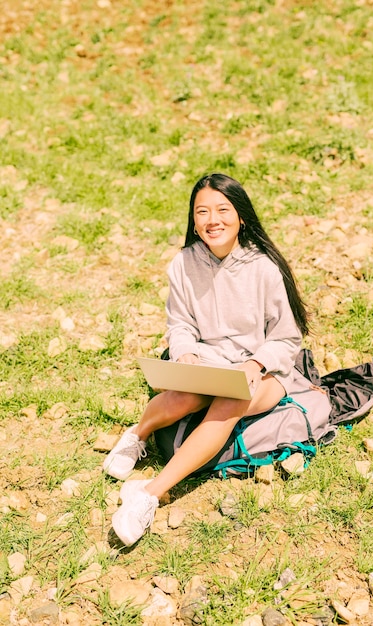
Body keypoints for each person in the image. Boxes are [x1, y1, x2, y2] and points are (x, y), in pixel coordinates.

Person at [103, 172, 309, 546]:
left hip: (263, 370)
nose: (212, 219)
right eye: (202, 211)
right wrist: (187, 356)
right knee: (186, 395)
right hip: (208, 359)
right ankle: (137, 435)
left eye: (222, 210)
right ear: (194, 221)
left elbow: (286, 336)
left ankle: (147, 494)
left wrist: (254, 365)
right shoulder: (184, 263)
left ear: (241, 216)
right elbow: (179, 323)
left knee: (232, 400)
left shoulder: (264, 267)